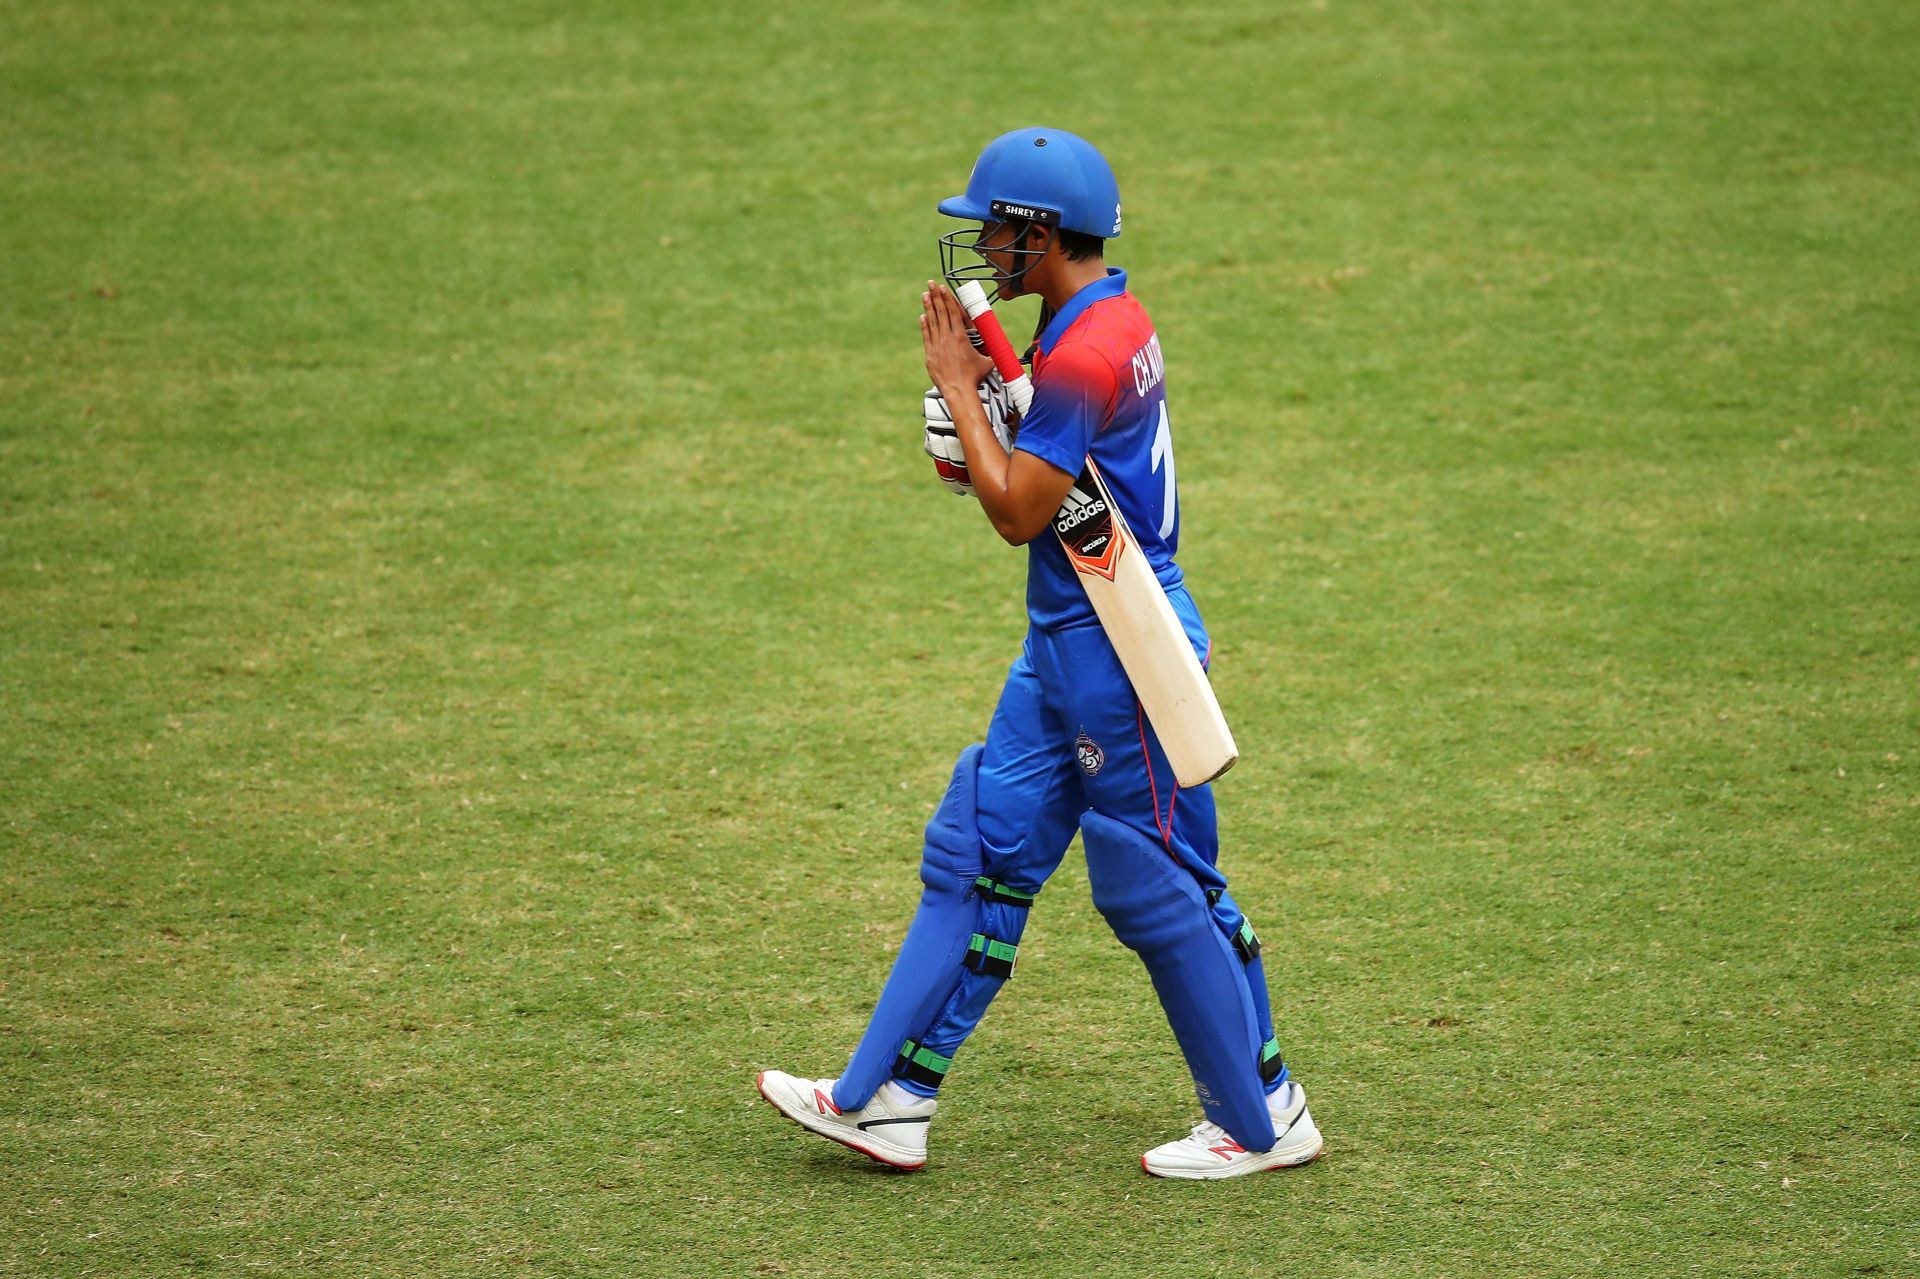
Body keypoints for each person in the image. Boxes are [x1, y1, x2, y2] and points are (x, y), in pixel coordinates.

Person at [756, 128, 1322, 1181]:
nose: (980, 245)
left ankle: (1261, 1117)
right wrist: (990, 407)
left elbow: (1022, 509)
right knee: (978, 847)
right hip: (1074, 637)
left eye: (994, 227)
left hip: (1122, 652)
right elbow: (1060, 474)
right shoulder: (1100, 315)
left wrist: (962, 394)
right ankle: (886, 1095)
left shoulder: (1085, 351)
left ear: (1043, 233)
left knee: (1156, 883)